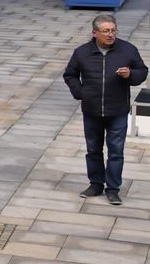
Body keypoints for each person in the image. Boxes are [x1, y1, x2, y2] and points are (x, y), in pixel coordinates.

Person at [63, 14, 148, 205]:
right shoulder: (82, 53)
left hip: (117, 110)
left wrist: (130, 74)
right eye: (106, 31)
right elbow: (70, 75)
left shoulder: (127, 50)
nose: (111, 34)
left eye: (113, 30)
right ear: (95, 33)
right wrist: (80, 92)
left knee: (116, 151)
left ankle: (113, 188)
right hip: (91, 111)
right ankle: (95, 184)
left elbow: (142, 71)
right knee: (93, 149)